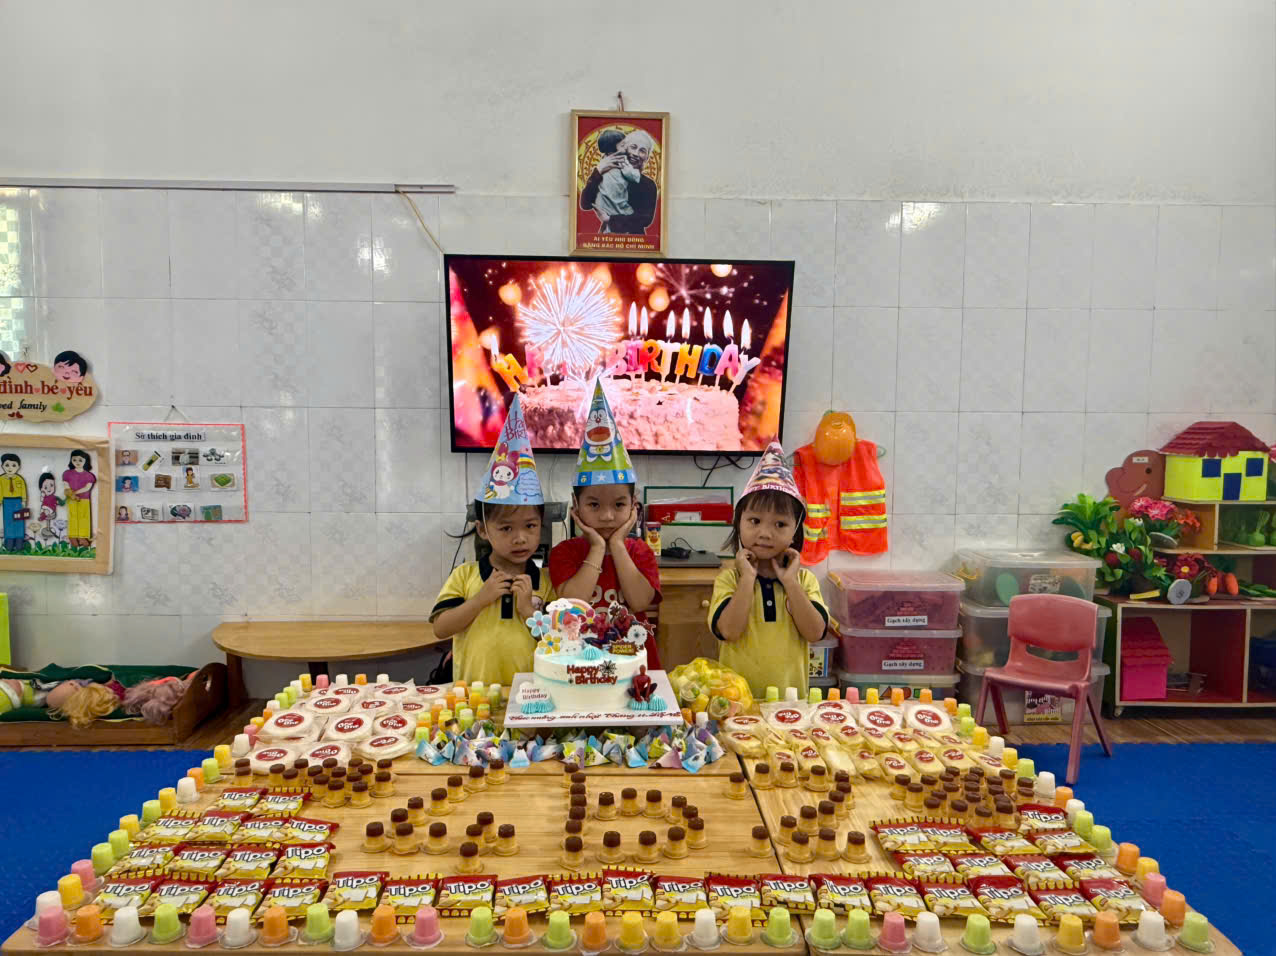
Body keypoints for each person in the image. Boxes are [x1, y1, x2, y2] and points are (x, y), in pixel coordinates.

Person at [431, 395, 555, 685]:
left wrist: (528, 611)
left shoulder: (547, 581)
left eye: (530, 526)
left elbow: (556, 643)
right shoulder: (465, 576)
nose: (520, 538)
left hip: (532, 697)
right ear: (483, 529)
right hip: (474, 697)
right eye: (506, 528)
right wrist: (480, 599)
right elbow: (441, 628)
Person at [549, 379, 662, 669]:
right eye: (594, 505)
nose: (608, 516)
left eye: (619, 505)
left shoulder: (640, 552)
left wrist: (618, 546)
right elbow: (573, 603)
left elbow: (640, 602)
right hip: (580, 663)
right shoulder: (564, 553)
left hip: (634, 664)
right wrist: (598, 547)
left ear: (633, 505)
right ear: (576, 506)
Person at [708, 442, 829, 697]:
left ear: (795, 531)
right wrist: (747, 579)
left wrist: (791, 583)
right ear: (738, 523)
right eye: (754, 521)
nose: (765, 533)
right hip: (736, 704)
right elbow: (729, 631)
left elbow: (815, 632)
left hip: (790, 705)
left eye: (780, 524)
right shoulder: (729, 580)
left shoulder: (804, 581)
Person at [579, 129, 658, 235]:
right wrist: (598, 170)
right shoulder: (605, 174)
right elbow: (585, 204)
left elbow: (645, 219)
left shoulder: (648, 184)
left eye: (642, 151)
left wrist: (610, 219)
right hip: (606, 236)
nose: (636, 154)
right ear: (625, 148)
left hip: (635, 238)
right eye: (633, 147)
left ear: (647, 157)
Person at [591, 128, 641, 226]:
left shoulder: (604, 161)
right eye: (622, 145)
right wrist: (636, 173)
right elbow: (634, 177)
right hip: (615, 201)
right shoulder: (621, 160)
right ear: (611, 150)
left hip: (606, 203)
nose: (626, 147)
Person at [62, 449, 96, 548]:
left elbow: (87, 488)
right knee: (72, 517)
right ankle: (73, 537)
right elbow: (66, 485)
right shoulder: (67, 473)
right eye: (74, 460)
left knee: (84, 517)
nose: (77, 462)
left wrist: (75, 493)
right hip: (71, 499)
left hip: (84, 500)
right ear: (71, 460)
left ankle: (83, 537)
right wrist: (70, 493)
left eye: (80, 460)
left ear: (85, 461)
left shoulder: (89, 475)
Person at [0, 454, 27, 551]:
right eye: (7, 465)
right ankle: (9, 543)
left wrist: (24, 500)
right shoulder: (1, 479)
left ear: (18, 467)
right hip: (7, 502)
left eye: (14, 465)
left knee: (19, 521)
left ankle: (19, 542)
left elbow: (23, 490)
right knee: (8, 522)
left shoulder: (20, 479)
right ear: (2, 466)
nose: (10, 468)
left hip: (18, 502)